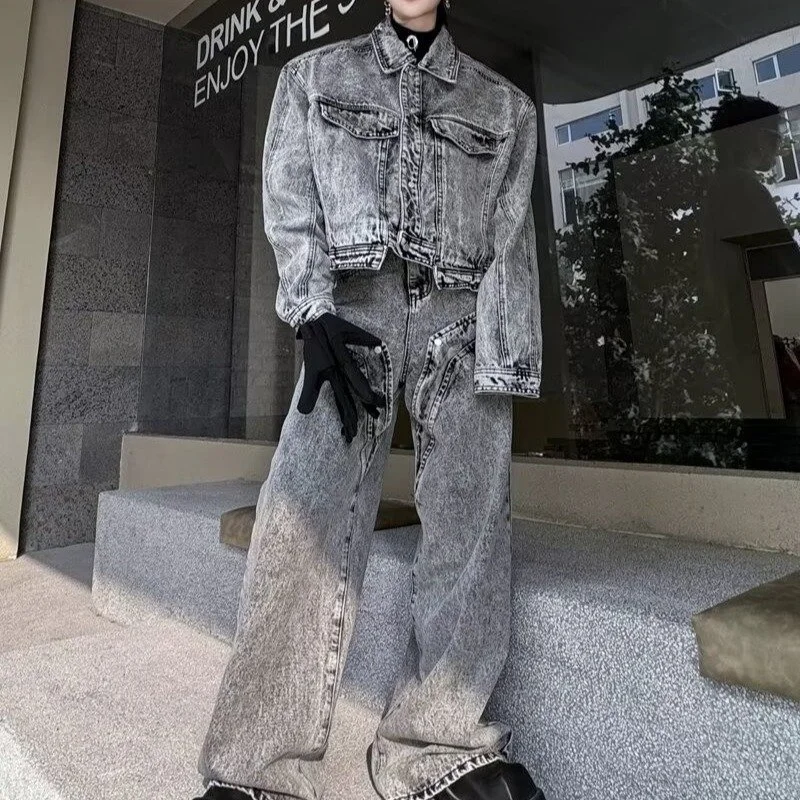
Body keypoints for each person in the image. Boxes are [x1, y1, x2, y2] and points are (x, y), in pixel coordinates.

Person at [193, 1, 545, 799]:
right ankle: (258, 767)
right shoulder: (315, 75)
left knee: (472, 524)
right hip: (351, 319)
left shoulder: (504, 106)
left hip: (463, 320)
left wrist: (504, 360)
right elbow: (290, 201)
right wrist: (309, 310)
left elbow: (511, 245)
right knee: (300, 516)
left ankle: (437, 747)